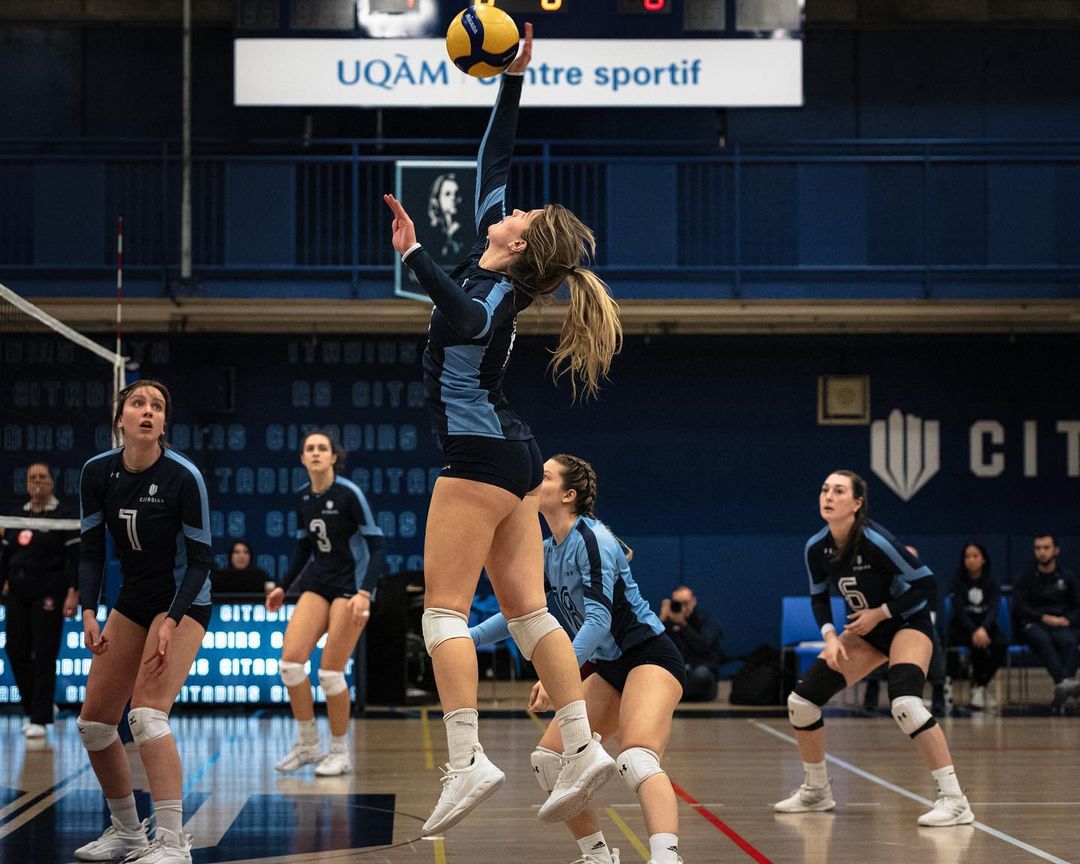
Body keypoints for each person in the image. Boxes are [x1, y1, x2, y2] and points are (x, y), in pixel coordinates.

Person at [382, 23, 623, 835]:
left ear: (517, 244)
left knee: (442, 612)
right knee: (528, 615)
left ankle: (465, 759)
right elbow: (497, 159)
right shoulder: (500, 256)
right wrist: (513, 78)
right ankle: (584, 746)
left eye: (522, 214)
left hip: (481, 455)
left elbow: (457, 313)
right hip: (513, 453)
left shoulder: (492, 297)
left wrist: (415, 254)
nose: (512, 205)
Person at [472, 455, 685, 864]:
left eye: (546, 476)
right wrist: (468, 638)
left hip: (648, 656)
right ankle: (598, 856)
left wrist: (558, 674)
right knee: (549, 761)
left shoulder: (593, 539)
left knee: (637, 758)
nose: (537, 481)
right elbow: (521, 611)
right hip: (608, 668)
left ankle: (666, 857)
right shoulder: (548, 548)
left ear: (569, 495)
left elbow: (600, 619)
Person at [775, 470, 973, 827]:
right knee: (801, 703)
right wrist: (831, 637)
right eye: (824, 490)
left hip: (906, 623)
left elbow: (927, 584)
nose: (828, 496)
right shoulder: (816, 548)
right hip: (865, 632)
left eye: (838, 491)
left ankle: (955, 800)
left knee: (906, 704)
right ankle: (817, 791)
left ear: (856, 503)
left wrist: (881, 613)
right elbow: (819, 598)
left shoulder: (876, 541)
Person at [74, 379, 213, 864]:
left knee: (148, 715)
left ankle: (174, 843)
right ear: (121, 419)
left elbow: (200, 561)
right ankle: (128, 832)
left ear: (163, 423)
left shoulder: (183, 476)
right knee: (94, 725)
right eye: (138, 403)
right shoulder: (96, 473)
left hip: (183, 600)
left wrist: (172, 620)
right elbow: (91, 552)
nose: (148, 411)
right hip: (132, 599)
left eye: (157, 406)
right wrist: (90, 611)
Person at [266, 430, 385, 777]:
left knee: (330, 673)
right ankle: (307, 744)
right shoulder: (303, 497)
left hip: (351, 587)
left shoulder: (349, 494)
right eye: (310, 449)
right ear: (302, 459)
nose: (316, 453)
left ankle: (339, 750)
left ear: (334, 457)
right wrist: (283, 587)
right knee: (290, 664)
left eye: (323, 448)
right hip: (319, 583)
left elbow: (378, 546)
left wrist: (365, 592)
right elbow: (304, 548)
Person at [0, 462, 80, 738]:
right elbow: (4, 558)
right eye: (32, 477)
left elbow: (76, 560)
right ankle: (41, 705)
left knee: (45, 654)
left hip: (49, 593)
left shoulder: (64, 516)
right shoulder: (15, 516)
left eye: (42, 477)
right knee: (15, 651)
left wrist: (74, 592)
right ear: (25, 483)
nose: (37, 481)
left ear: (51, 482)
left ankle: (39, 718)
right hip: (18, 594)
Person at [1013, 534, 1080, 708]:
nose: (1042, 552)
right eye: (1038, 548)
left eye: (1046, 547)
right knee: (1042, 640)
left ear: (1056, 550)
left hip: (1060, 623)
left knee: (1070, 642)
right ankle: (1066, 683)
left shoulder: (1067, 576)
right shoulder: (1026, 577)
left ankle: (1063, 690)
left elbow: (1077, 606)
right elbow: (1019, 607)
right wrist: (1043, 617)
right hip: (1034, 623)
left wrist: (1067, 620)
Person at [947, 542, 1006, 710]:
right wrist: (974, 630)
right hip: (964, 627)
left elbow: (994, 608)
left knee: (1000, 644)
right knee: (977, 646)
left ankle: (980, 685)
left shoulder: (992, 581)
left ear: (984, 559)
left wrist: (983, 628)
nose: (971, 560)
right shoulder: (957, 581)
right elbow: (959, 612)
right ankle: (979, 688)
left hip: (986, 626)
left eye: (975, 556)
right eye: (967, 556)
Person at [659, 585, 722, 702]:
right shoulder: (668, 622)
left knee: (701, 674)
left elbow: (703, 646)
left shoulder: (705, 619)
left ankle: (676, 693)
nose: (682, 607)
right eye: (678, 603)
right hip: (679, 671)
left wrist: (683, 625)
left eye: (685, 603)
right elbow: (656, 647)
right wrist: (661, 621)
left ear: (693, 601)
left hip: (699, 669)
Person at [427, 173, 465, 258]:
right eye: (447, 194)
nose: (453, 198)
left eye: (457, 193)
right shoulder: (430, 234)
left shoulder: (467, 233)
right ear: (437, 199)